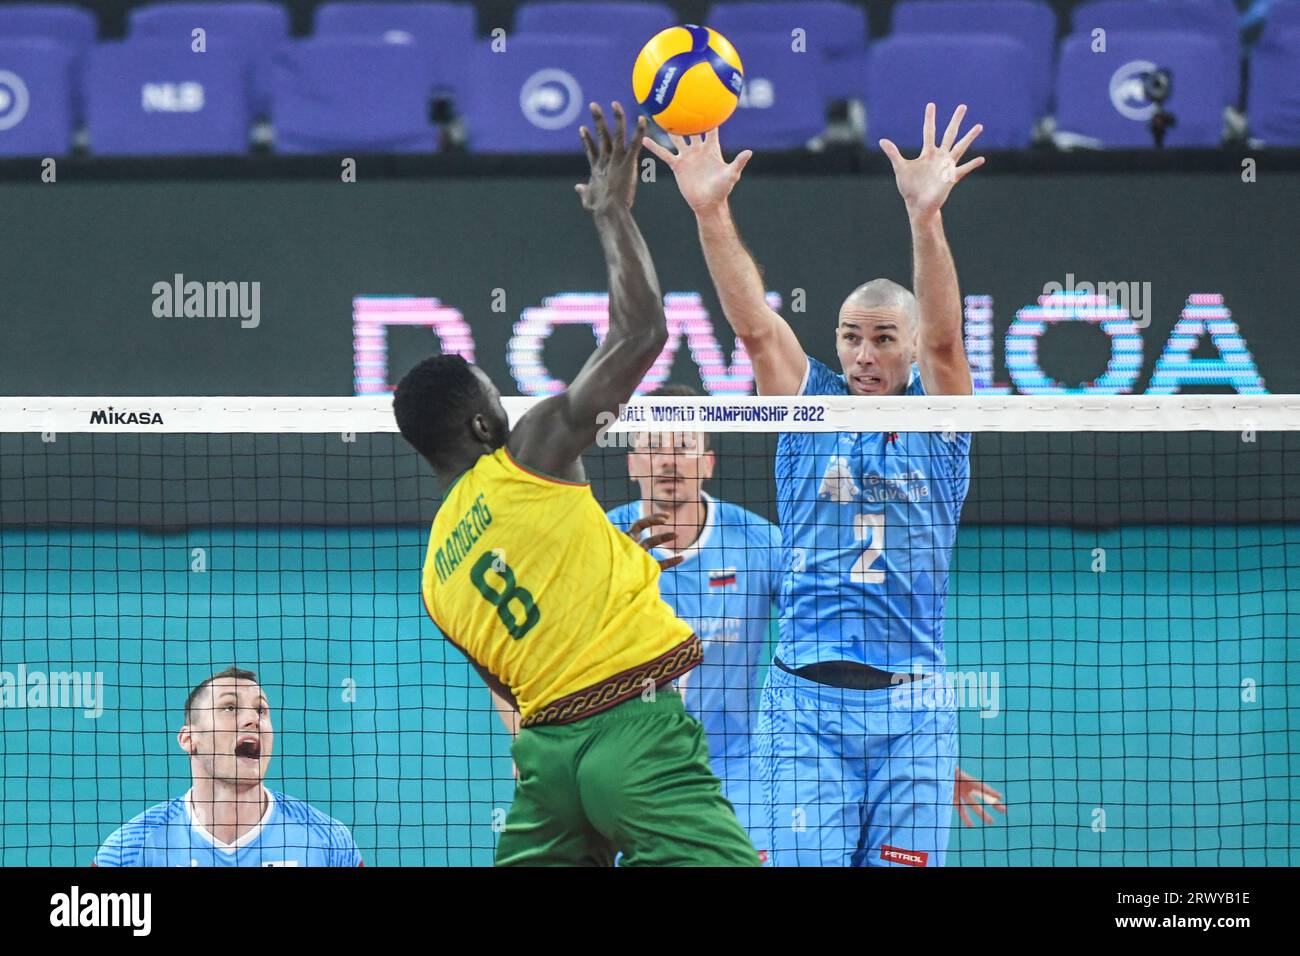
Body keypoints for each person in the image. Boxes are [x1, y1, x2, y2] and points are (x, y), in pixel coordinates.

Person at [394, 102, 757, 867]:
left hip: (548, 768)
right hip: (635, 737)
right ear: (485, 426)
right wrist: (612, 211)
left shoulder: (435, 577)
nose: (509, 404)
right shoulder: (527, 452)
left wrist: (608, 561)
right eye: (497, 395)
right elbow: (641, 333)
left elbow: (517, 686)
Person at [647, 103, 984, 866]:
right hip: (804, 709)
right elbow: (756, 327)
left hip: (914, 710)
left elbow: (943, 335)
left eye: (882, 339)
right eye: (850, 337)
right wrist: (710, 211)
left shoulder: (941, 422)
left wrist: (924, 216)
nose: (864, 355)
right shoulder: (807, 410)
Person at [93, 667, 363, 867]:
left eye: (261, 710)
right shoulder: (129, 848)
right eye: (230, 707)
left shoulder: (328, 841)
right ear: (189, 739)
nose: (252, 719)